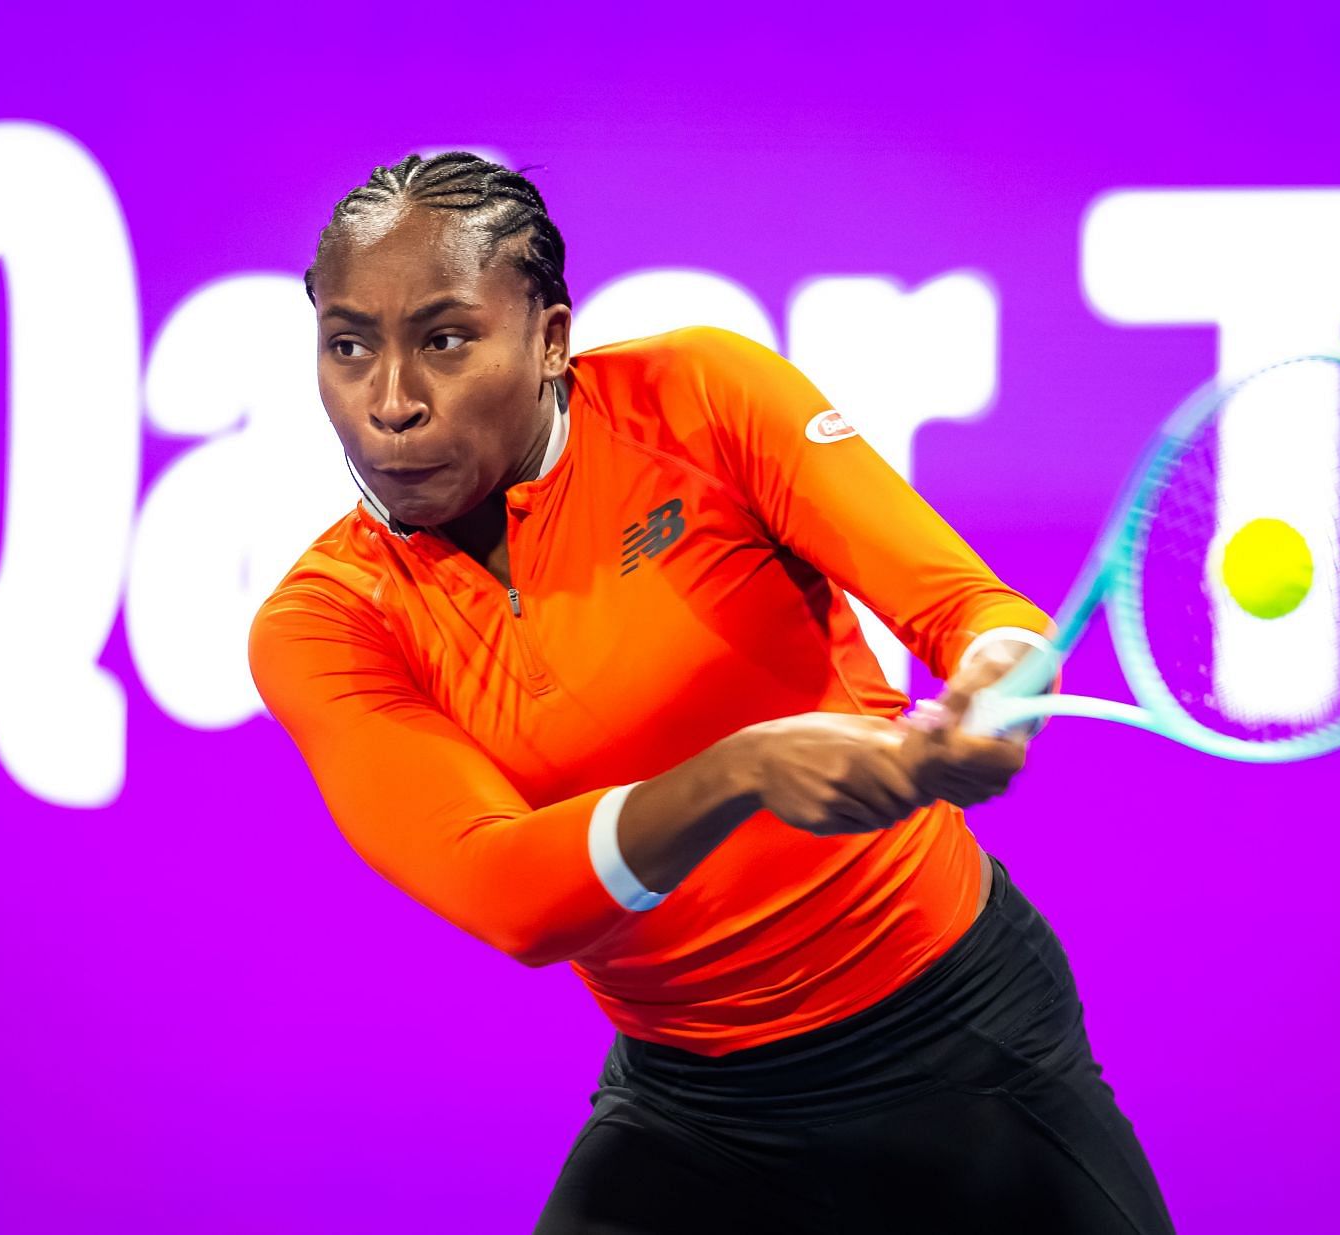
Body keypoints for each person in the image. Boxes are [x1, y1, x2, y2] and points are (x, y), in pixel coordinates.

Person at [248, 151, 1177, 1234]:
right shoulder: (325, 620)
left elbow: (970, 607)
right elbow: (505, 890)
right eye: (349, 345)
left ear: (550, 340)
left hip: (964, 1042)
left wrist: (994, 682)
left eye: (446, 340)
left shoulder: (701, 398)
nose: (392, 401)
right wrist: (744, 774)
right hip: (694, 1113)